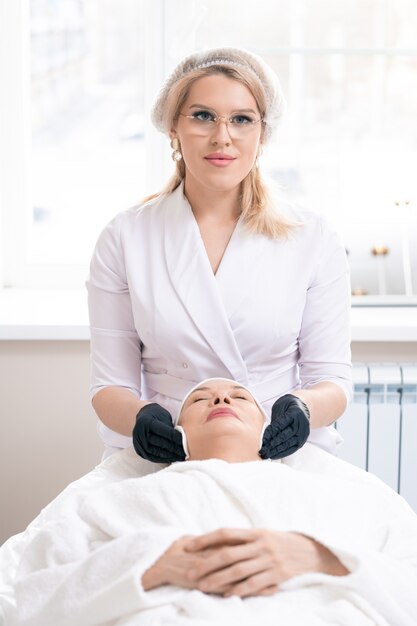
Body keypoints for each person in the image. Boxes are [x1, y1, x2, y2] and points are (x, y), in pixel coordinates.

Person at [86, 46, 352, 462]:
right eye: (203, 115)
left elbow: (331, 379)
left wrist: (303, 410)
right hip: (166, 454)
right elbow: (109, 387)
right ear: (173, 126)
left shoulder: (312, 238)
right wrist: (142, 419)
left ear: (262, 133)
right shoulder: (125, 238)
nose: (222, 137)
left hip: (281, 452)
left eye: (242, 119)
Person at [10, 378, 417, 626]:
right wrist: (148, 563)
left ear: (266, 428)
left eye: (240, 398)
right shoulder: (112, 500)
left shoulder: (339, 496)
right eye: (200, 400)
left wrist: (319, 556)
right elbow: (28, 601)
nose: (221, 399)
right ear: (177, 432)